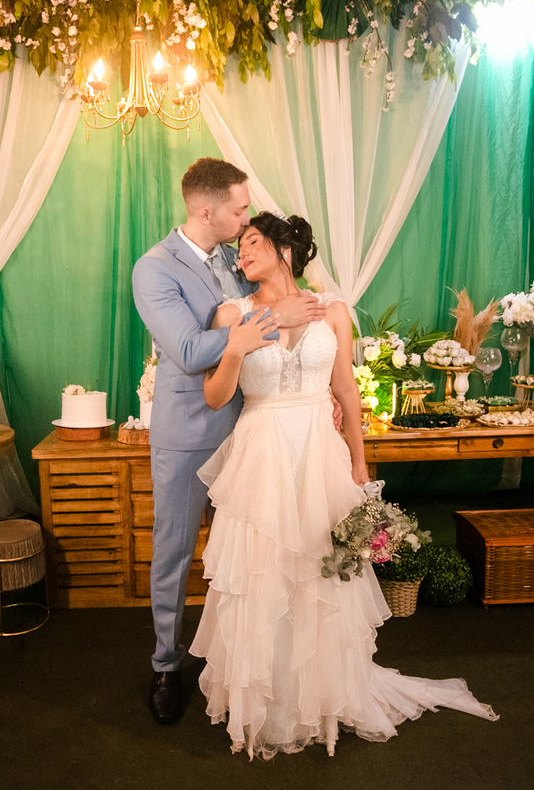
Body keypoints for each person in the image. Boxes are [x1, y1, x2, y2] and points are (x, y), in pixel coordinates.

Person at [189, 212, 499, 759]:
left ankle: (323, 697)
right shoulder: (232, 312)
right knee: (264, 573)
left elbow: (347, 391)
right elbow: (215, 397)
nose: (242, 254)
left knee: (320, 574)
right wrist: (237, 347)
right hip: (260, 455)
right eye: (239, 247)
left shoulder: (333, 311)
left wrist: (359, 461)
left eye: (252, 242)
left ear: (286, 249)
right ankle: (268, 703)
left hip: (319, 454)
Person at [131, 159, 329, 725]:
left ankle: (260, 659)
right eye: (239, 210)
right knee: (175, 551)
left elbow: (271, 302)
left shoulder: (231, 257)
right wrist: (270, 319)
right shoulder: (154, 269)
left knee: (259, 554)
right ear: (206, 211)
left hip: (256, 430)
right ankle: (167, 664)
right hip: (191, 433)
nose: (246, 220)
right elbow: (190, 351)